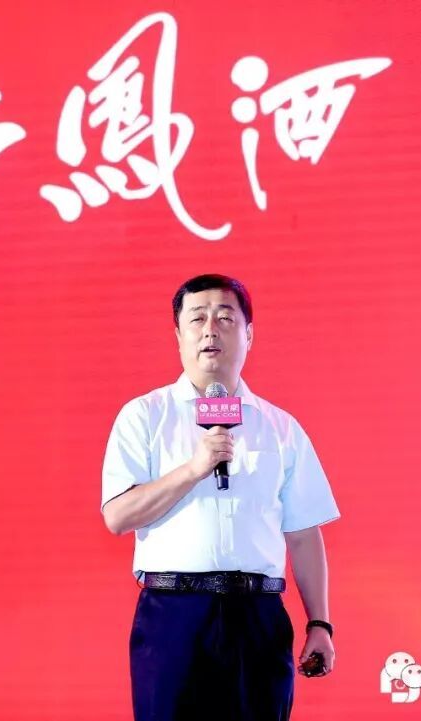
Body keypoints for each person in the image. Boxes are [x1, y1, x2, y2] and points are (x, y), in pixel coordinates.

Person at [101, 274, 340, 721]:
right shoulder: (144, 416)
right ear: (178, 336)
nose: (210, 329)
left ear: (249, 334)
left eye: (225, 318)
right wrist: (194, 468)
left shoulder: (280, 427)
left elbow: (303, 533)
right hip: (174, 616)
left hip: (258, 616)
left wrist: (319, 623)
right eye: (197, 318)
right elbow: (118, 515)